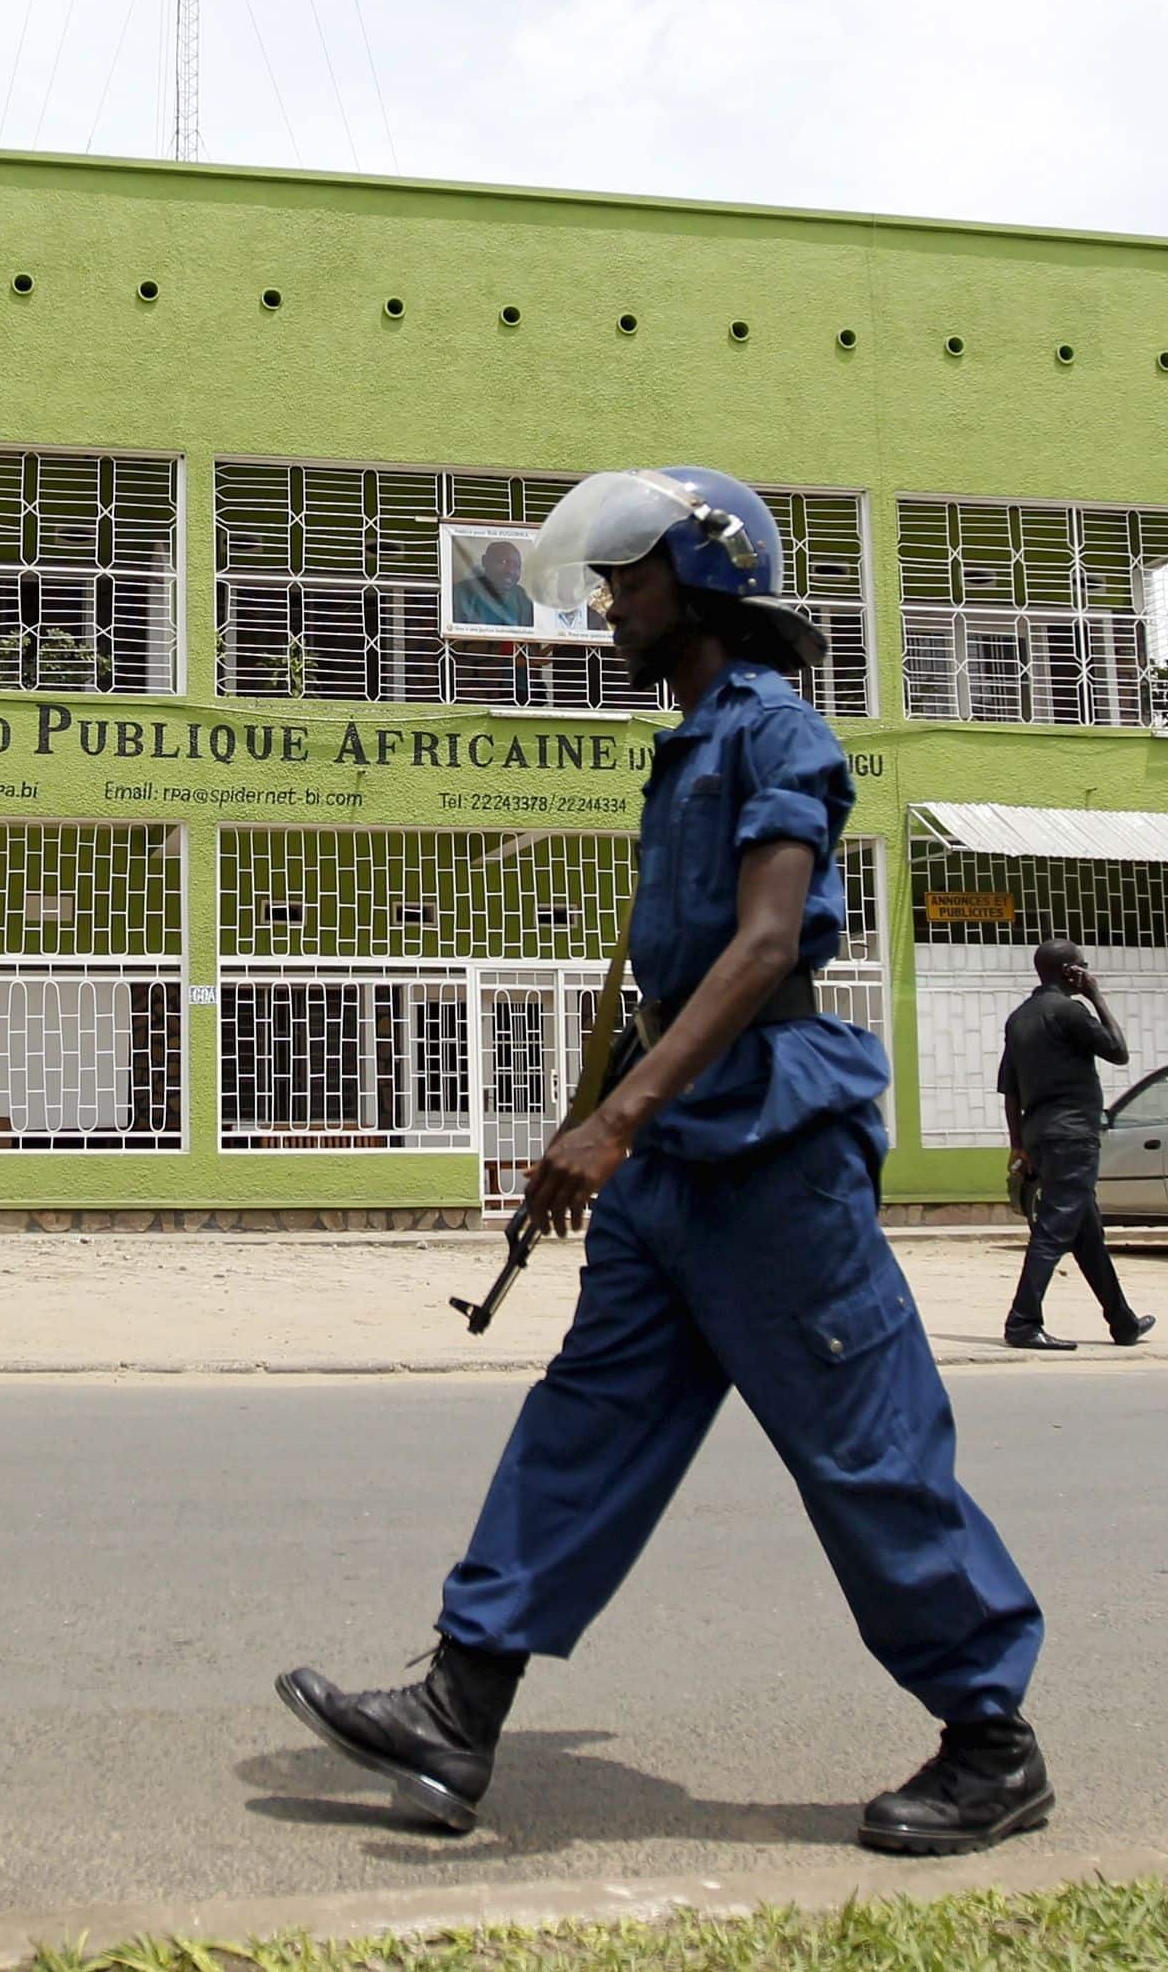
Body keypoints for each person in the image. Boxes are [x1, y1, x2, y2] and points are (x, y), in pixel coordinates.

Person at [277, 467, 1052, 1857]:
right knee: (586, 1423)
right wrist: (617, 1123)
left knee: (863, 1453)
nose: (606, 605)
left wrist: (612, 1119)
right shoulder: (690, 743)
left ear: (698, 590)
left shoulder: (778, 734)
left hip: (767, 1157)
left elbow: (763, 949)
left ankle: (991, 1742)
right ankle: (459, 1708)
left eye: (626, 582)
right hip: (675, 1162)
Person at [998, 942, 1154, 1351]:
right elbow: (1118, 1051)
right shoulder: (1069, 1011)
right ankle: (1022, 1323)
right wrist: (1096, 995)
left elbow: (1009, 1091)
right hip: (1071, 1135)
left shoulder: (1019, 1019)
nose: (1087, 972)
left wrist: (1019, 1146)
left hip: (1039, 1134)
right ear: (1070, 972)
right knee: (1053, 1230)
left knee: (1087, 1234)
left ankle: (1122, 1322)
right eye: (1083, 967)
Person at [450, 537, 534, 630]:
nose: (510, 571)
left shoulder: (524, 598)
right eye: (502, 562)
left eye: (516, 566)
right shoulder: (460, 593)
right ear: (484, 561)